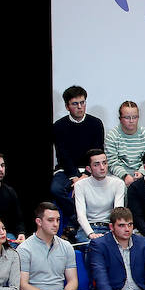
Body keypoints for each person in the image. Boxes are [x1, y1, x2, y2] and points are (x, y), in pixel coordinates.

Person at [52, 85, 106, 229]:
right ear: (67, 106)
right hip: (66, 170)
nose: (80, 107)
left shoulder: (95, 123)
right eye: (75, 104)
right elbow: (62, 154)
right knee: (55, 189)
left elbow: (98, 151)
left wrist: (85, 175)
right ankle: (77, 220)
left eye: (82, 103)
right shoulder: (59, 126)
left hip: (91, 169)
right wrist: (74, 177)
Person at [72, 148, 125, 244]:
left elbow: (118, 212)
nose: (102, 167)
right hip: (88, 227)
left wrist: (112, 232)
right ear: (89, 169)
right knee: (94, 247)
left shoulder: (118, 183)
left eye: (104, 163)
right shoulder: (80, 185)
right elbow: (81, 215)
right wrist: (91, 234)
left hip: (110, 227)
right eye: (97, 164)